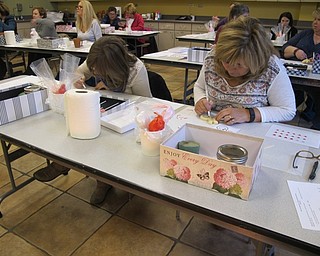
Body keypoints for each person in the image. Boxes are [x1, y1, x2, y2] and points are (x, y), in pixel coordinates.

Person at [33, 36, 153, 205]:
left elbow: (146, 102)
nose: (95, 72)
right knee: (80, 128)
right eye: (94, 68)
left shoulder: (136, 69)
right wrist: (79, 78)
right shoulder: (96, 59)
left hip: (125, 118)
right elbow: (79, 72)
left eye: (100, 70)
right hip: (104, 110)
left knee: (104, 142)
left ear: (114, 65)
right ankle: (63, 162)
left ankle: (102, 182)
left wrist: (114, 89)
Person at [194, 16, 296, 125]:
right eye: (226, 61)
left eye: (239, 64)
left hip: (252, 130)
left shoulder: (271, 68)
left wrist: (249, 114)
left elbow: (287, 110)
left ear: (255, 61)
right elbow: (199, 86)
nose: (230, 69)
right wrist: (200, 100)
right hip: (215, 126)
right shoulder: (213, 58)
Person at [282, 8, 320, 130]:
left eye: (319, 20)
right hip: (296, 73)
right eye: (314, 19)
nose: (315, 22)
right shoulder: (306, 34)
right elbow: (284, 49)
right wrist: (296, 51)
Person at [25, 7, 58, 75]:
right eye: (33, 14)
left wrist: (37, 21)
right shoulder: (38, 25)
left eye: (36, 14)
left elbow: (42, 35)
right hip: (42, 46)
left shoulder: (47, 23)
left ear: (42, 15)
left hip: (51, 48)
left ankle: (32, 72)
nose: (33, 15)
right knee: (31, 52)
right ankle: (30, 70)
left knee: (37, 53)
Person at [0, 2, 17, 80]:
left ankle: (5, 69)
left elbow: (10, 29)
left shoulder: (10, 19)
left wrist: (1, 23)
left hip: (10, 44)